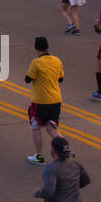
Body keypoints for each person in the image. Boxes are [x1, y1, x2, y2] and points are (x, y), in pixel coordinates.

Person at [25, 36, 64, 165]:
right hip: (56, 100)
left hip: (41, 101)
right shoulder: (57, 60)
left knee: (36, 126)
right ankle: (64, 149)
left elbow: (28, 79)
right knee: (51, 127)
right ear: (47, 47)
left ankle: (39, 156)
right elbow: (60, 79)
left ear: (36, 48)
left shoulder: (36, 62)